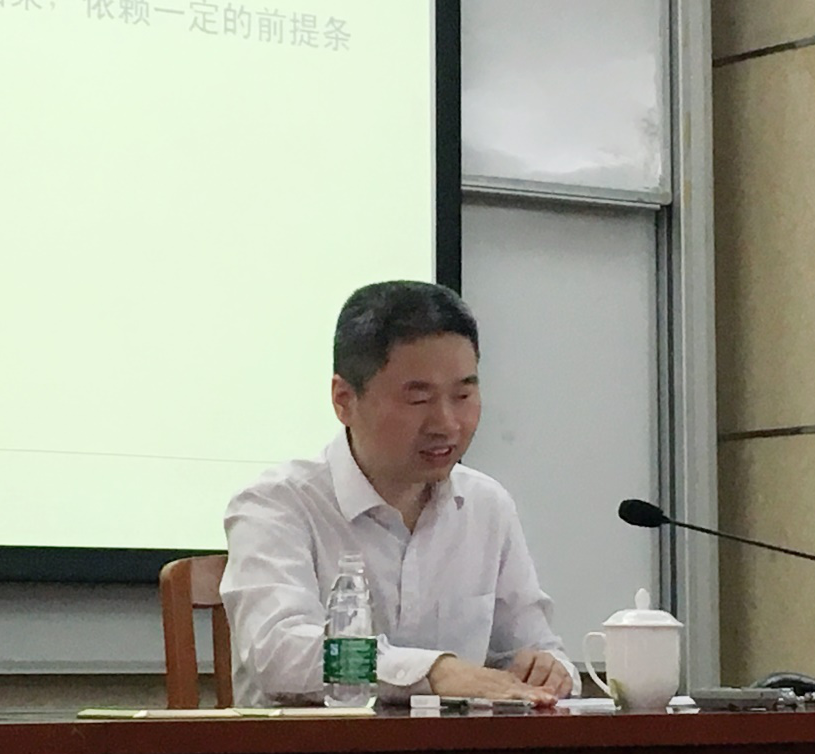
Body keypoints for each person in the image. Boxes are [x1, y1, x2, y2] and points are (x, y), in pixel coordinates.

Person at [220, 280, 580, 706]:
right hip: (311, 747)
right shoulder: (276, 504)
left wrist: (550, 670)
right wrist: (433, 672)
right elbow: (280, 652)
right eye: (418, 399)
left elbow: (536, 647)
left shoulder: (487, 506)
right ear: (344, 400)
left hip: (452, 749)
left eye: (463, 395)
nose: (446, 423)